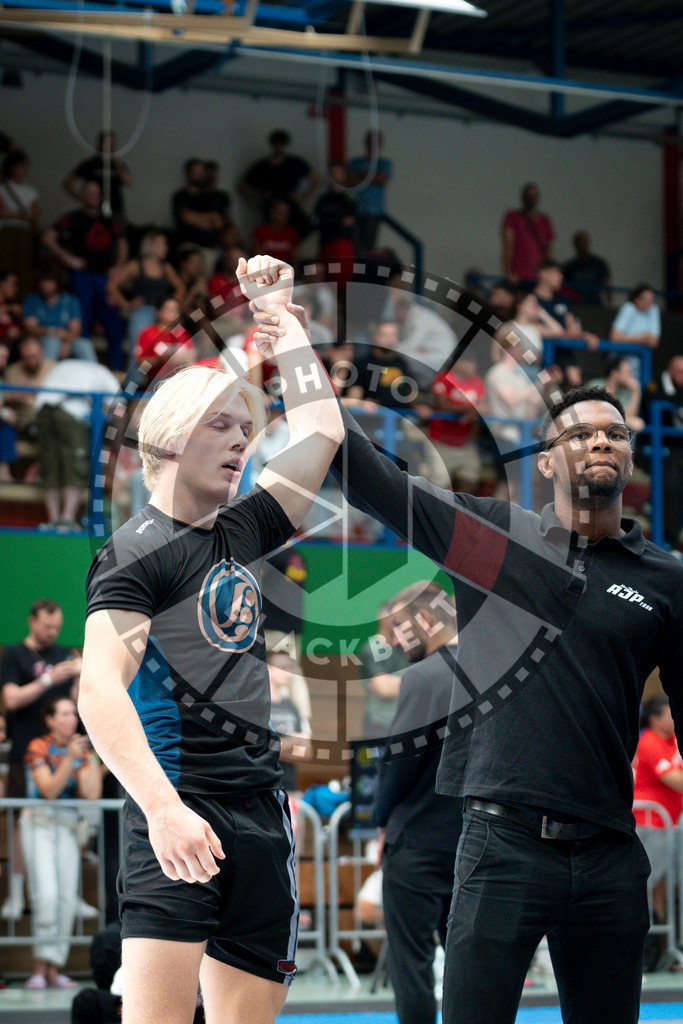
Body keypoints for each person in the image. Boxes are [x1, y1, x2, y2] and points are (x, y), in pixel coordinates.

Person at [257, 303, 683, 1024]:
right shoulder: (493, 538)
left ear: (631, 452)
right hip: (500, 847)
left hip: (612, 854)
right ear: (547, 460)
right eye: (579, 434)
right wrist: (294, 341)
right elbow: (362, 467)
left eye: (614, 431)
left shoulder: (664, 578)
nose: (600, 441)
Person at [78, 254, 344, 1024]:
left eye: (244, 428)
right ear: (167, 438)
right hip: (179, 806)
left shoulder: (245, 527)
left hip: (260, 812)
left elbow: (322, 427)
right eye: (220, 425)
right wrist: (161, 810)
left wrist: (282, 319)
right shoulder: (135, 550)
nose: (240, 442)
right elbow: (99, 690)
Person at [373, 581, 462, 1024]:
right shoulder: (495, 669)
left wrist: (379, 819)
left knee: (412, 966)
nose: (391, 644)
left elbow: (399, 764)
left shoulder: (424, 678)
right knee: (472, 971)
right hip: (478, 842)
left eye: (396, 633)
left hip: (420, 841)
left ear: (425, 621)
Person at [0, 599, 83, 921]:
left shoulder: (64, 653)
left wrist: (78, 676)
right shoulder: (15, 654)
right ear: (32, 621)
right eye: (47, 626)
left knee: (77, 818)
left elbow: (77, 704)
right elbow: (10, 699)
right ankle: (17, 893)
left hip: (64, 754)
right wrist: (49, 679)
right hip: (26, 752)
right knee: (22, 824)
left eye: (57, 627)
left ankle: (71, 895)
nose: (52, 632)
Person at [22, 696, 102, 989]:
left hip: (67, 826)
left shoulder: (79, 751)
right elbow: (50, 790)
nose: (72, 719)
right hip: (39, 823)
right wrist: (69, 757)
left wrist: (92, 754)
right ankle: (39, 969)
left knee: (67, 897)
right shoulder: (38, 746)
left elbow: (91, 794)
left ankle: (54, 969)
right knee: (47, 894)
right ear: (50, 719)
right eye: (65, 713)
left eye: (74, 714)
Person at [43, 179, 127, 369]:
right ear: (82, 195)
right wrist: (67, 258)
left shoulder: (109, 221)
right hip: (82, 277)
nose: (93, 197)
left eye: (96, 193)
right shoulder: (73, 218)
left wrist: (119, 266)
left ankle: (115, 372)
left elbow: (122, 242)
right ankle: (84, 370)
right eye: (89, 192)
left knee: (113, 324)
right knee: (83, 324)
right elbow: (48, 237)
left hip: (105, 278)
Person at [33, 357, 120, 529]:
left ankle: (53, 521)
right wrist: (117, 447)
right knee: (76, 464)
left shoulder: (64, 365)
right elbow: (119, 409)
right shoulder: (104, 373)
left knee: (50, 464)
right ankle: (67, 520)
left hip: (42, 409)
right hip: (71, 411)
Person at [633, 696, 683, 922]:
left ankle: (661, 948)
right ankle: (648, 947)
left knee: (663, 885)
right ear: (655, 719)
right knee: (647, 885)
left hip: (669, 824)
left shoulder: (672, 741)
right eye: (670, 714)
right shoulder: (649, 741)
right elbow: (675, 780)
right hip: (650, 824)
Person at [107, 229, 185, 359]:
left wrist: (170, 306)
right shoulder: (136, 265)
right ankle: (135, 380)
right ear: (152, 245)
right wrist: (127, 304)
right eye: (163, 244)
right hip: (142, 312)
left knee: (166, 353)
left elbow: (181, 288)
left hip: (162, 315)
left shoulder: (166, 267)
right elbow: (111, 285)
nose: (166, 247)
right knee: (139, 354)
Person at [239, 130, 320, 241]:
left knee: (304, 226)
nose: (279, 147)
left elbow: (316, 180)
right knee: (271, 233)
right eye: (277, 144)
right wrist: (258, 198)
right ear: (272, 145)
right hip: (271, 203)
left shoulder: (295, 163)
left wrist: (303, 198)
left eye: (282, 144)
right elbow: (243, 184)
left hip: (289, 202)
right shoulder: (263, 165)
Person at [425, 353, 487, 494]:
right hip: (440, 442)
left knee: (470, 481)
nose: (473, 366)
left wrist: (472, 410)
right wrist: (471, 408)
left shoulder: (476, 381)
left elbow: (485, 408)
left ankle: (460, 513)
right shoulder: (444, 378)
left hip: (464, 443)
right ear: (458, 363)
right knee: (440, 486)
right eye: (469, 362)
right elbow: (444, 405)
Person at [642, 354, 683, 555]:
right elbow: (654, 402)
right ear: (671, 371)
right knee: (671, 484)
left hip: (677, 453)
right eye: (682, 372)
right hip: (652, 450)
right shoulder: (654, 386)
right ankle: (668, 542)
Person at [356, 601, 409, 741]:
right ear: (382, 619)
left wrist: (394, 682)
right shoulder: (373, 648)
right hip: (379, 723)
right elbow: (384, 689)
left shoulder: (408, 648)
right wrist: (414, 682)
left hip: (404, 724)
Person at [23, 268, 98, 363]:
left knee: (84, 344)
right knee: (52, 341)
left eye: (49, 281)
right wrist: (51, 331)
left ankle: (96, 375)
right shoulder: (32, 300)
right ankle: (46, 375)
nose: (45, 284)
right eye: (42, 280)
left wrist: (66, 343)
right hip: (40, 340)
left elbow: (75, 329)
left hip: (68, 340)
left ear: (58, 282)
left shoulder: (70, 301)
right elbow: (30, 327)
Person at [62, 130, 133, 225]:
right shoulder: (90, 164)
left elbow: (128, 182)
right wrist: (82, 198)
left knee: (119, 234)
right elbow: (67, 183)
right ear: (100, 143)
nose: (111, 146)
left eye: (113, 144)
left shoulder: (118, 165)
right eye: (109, 143)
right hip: (93, 211)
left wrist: (114, 160)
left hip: (116, 209)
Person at [267, 650, 311, 794]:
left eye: (290, 667)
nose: (289, 673)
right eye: (283, 668)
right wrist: (295, 740)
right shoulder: (258, 706)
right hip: (265, 787)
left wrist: (278, 748)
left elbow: (307, 752)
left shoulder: (292, 706)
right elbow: (262, 749)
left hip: (291, 787)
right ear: (268, 668)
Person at [533, 260, 600, 351]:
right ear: (543, 274)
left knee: (573, 366)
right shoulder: (529, 301)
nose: (561, 277)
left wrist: (584, 335)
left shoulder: (563, 300)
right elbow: (531, 330)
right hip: (539, 354)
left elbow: (573, 329)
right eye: (556, 272)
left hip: (564, 354)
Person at [0, 148, 39, 297]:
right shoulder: (3, 187)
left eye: (25, 166)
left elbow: (34, 215)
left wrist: (14, 214)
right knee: (5, 265)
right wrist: (23, 215)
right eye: (20, 166)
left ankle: (23, 300)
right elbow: (2, 211)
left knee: (23, 267)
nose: (23, 169)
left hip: (24, 232)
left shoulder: (31, 190)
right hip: (6, 231)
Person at [348, 131, 392, 255]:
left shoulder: (384, 163)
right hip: (354, 208)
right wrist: (372, 175)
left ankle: (367, 272)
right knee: (353, 246)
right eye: (370, 140)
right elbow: (349, 180)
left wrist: (359, 175)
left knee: (369, 247)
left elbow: (382, 179)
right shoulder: (355, 162)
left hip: (373, 210)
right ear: (365, 142)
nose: (373, 144)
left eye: (376, 141)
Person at [502, 183, 555, 284]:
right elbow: (508, 246)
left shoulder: (545, 221)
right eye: (528, 196)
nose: (531, 199)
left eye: (534, 196)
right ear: (523, 198)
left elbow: (548, 251)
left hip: (539, 276)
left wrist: (548, 274)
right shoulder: (513, 217)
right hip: (518, 275)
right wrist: (508, 271)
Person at [587, 355, 644, 434]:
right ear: (614, 374)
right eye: (628, 372)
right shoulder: (595, 386)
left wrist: (636, 392)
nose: (631, 377)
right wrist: (628, 422)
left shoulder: (625, 392)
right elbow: (599, 416)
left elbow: (628, 416)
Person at [562, 230, 612, 306]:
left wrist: (609, 303)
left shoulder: (599, 263)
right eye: (580, 241)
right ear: (575, 243)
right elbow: (562, 286)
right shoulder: (569, 265)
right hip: (575, 305)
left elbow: (607, 284)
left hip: (595, 305)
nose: (582, 244)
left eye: (585, 241)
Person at [609, 283, 661, 351]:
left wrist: (625, 338)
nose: (647, 303)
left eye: (650, 300)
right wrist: (643, 338)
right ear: (635, 299)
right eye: (644, 299)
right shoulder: (628, 307)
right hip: (622, 353)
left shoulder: (653, 309)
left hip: (642, 355)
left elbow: (654, 342)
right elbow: (614, 337)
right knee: (627, 361)